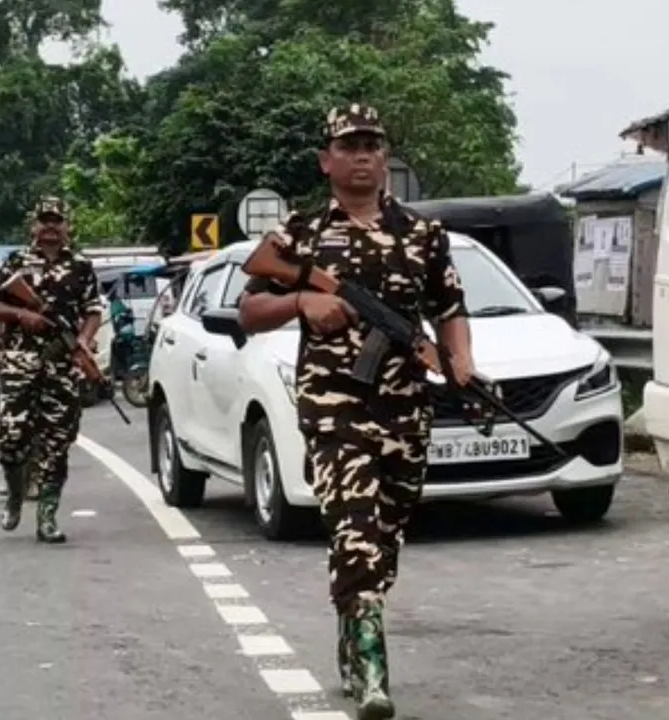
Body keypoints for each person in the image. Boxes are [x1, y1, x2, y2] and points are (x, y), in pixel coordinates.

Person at [236, 105, 474, 720]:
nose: (362, 154)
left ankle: (351, 621)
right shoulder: (302, 233)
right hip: (335, 410)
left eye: (372, 143)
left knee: (384, 539)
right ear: (327, 160)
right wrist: (302, 302)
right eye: (349, 145)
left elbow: (450, 306)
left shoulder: (422, 234)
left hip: (403, 412)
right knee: (357, 532)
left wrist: (460, 361)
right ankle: (372, 667)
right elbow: (248, 310)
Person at [0, 196, 103, 543]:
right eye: (45, 221)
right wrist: (23, 316)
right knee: (10, 437)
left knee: (57, 442)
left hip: (62, 365)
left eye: (57, 221)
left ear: (67, 226)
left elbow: (93, 309)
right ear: (34, 225)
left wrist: (82, 340)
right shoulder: (15, 262)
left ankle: (47, 516)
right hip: (20, 363)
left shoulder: (81, 266)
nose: (51, 227)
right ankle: (15, 493)